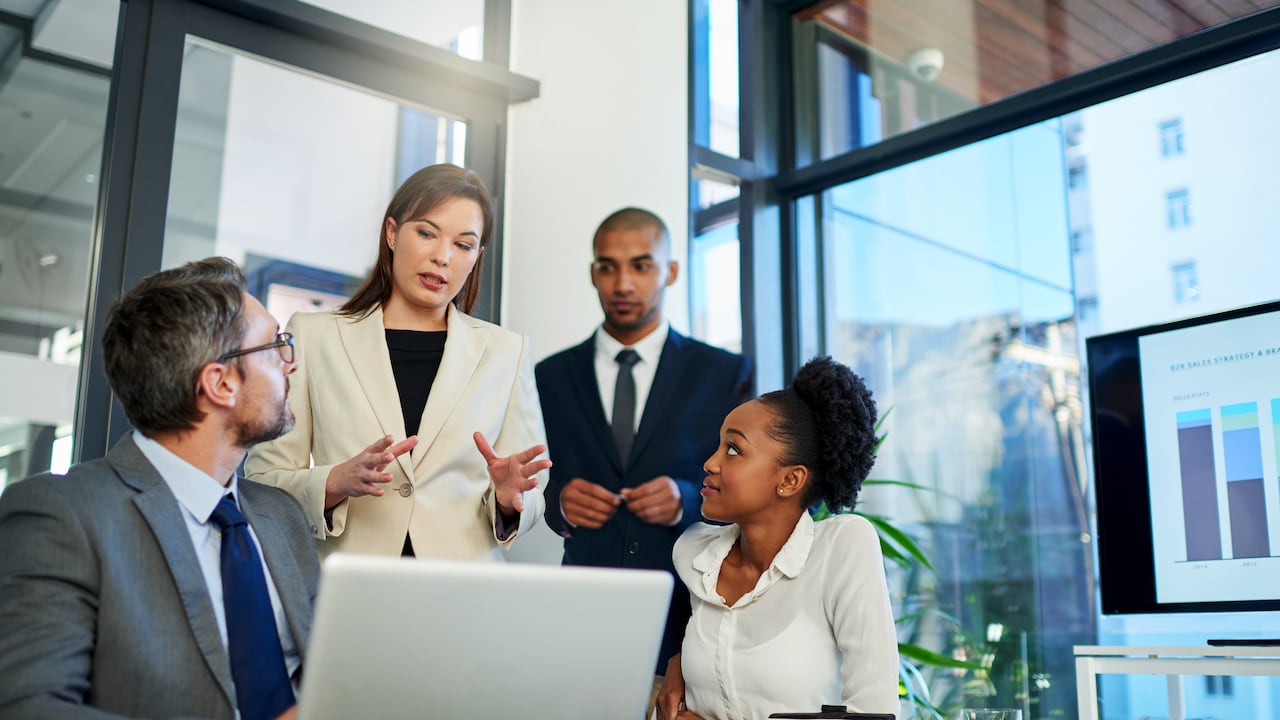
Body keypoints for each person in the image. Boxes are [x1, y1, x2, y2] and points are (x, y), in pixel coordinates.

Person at [0, 257, 319, 719]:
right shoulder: (60, 516)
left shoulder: (281, 516)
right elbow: (29, 709)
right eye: (277, 346)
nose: (291, 366)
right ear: (220, 383)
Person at [246, 164, 549, 561]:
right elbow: (262, 486)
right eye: (426, 233)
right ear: (392, 233)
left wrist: (511, 502)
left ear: (477, 257)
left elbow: (532, 490)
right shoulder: (314, 336)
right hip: (352, 589)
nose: (442, 257)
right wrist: (335, 480)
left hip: (463, 597)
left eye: (463, 245)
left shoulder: (507, 352)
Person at [536, 207, 752, 701]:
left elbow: (751, 487)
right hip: (580, 623)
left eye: (641, 265)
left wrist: (685, 497)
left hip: (688, 622)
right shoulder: (548, 376)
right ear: (593, 273)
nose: (623, 283)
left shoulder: (723, 373)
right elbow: (536, 481)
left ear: (671, 271)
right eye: (608, 267)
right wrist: (559, 503)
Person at [657, 356, 900, 720]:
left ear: (789, 480)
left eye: (734, 449)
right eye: (718, 445)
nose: (710, 462)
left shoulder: (841, 547)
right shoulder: (695, 553)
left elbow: (874, 712)